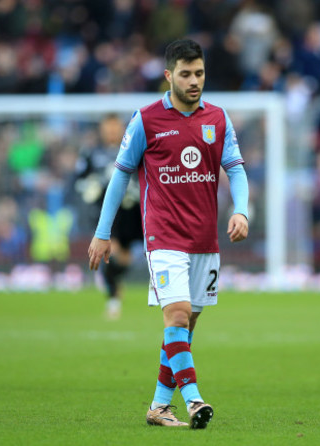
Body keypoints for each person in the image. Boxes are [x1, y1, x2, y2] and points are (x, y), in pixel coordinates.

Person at [88, 39, 249, 429]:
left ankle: (159, 407)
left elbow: (237, 169)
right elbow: (121, 174)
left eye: (199, 73)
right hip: (163, 238)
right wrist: (102, 232)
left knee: (184, 329)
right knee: (175, 316)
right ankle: (194, 401)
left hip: (204, 241)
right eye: (186, 74)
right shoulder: (145, 120)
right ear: (168, 75)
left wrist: (241, 209)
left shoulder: (218, 119)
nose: (194, 81)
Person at [75, 114, 143, 320]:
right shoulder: (91, 153)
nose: (112, 131)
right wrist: (91, 187)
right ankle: (113, 299)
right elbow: (80, 181)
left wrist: (136, 189)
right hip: (107, 212)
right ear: (102, 129)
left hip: (132, 211)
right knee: (110, 251)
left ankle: (116, 282)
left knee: (124, 258)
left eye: (115, 127)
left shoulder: (134, 148)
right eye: (108, 127)